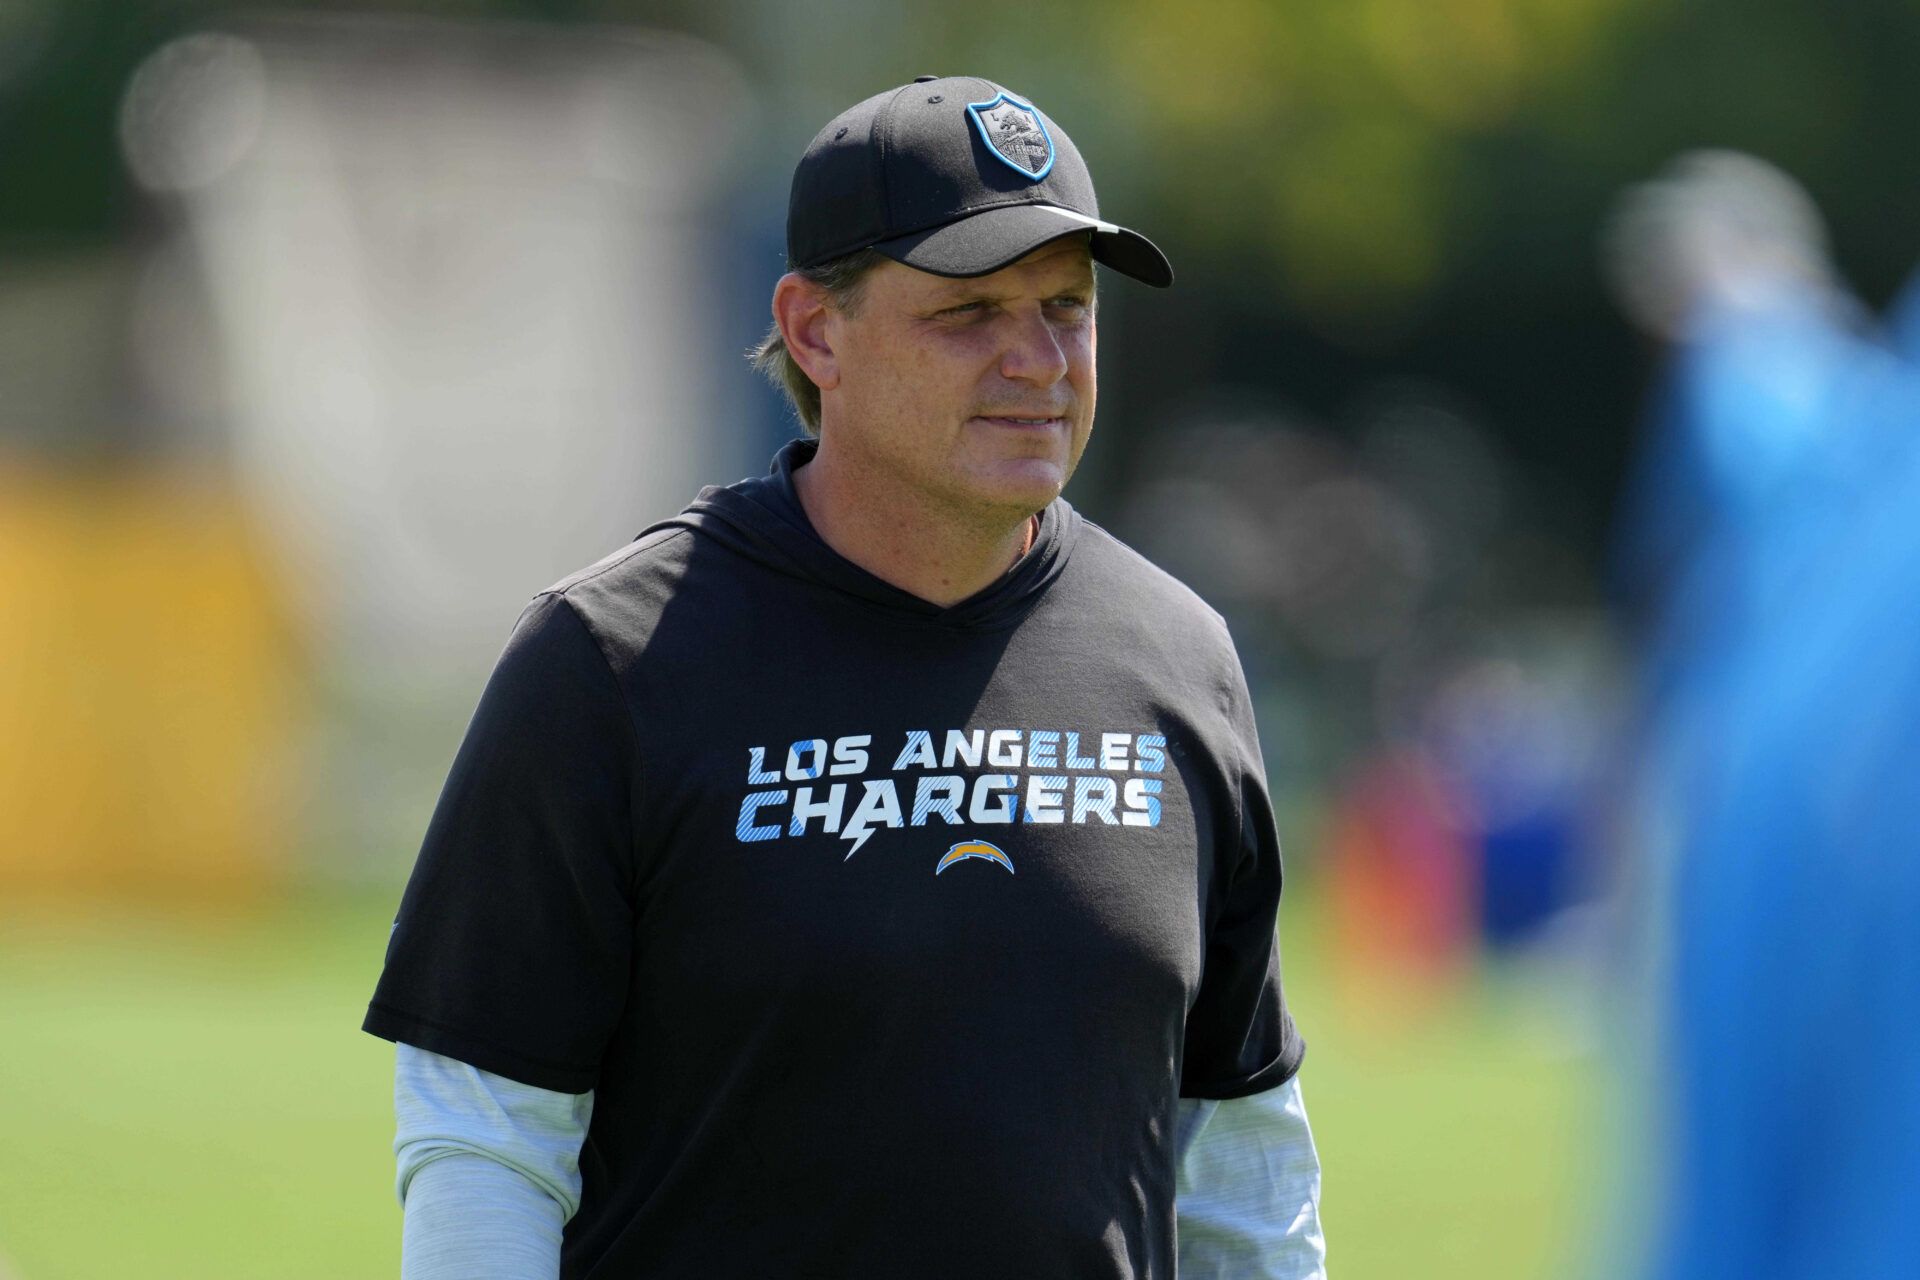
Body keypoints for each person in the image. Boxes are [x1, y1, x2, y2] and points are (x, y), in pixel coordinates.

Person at [363, 74, 1325, 1279]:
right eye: (969, 313)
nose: (1038, 359)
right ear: (817, 331)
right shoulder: (609, 661)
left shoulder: (1181, 657)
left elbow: (1240, 1152)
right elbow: (487, 1142)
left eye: (1067, 308)